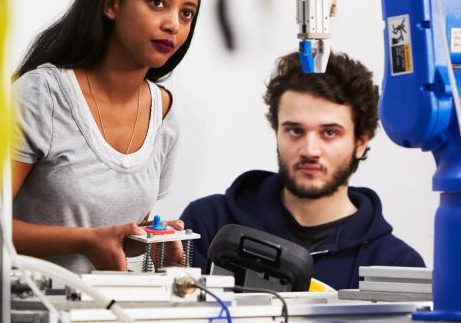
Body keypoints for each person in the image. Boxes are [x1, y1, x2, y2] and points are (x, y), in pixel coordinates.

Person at [11, 0, 201, 274]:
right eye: (158, 3)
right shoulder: (41, 94)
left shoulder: (167, 113)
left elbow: (118, 235)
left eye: (186, 13)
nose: (173, 23)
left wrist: (151, 242)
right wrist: (83, 241)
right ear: (111, 5)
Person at [180, 52, 424, 289]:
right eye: (295, 131)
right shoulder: (208, 225)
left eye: (329, 133)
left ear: (361, 142)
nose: (310, 149)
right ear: (277, 132)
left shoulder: (396, 267)